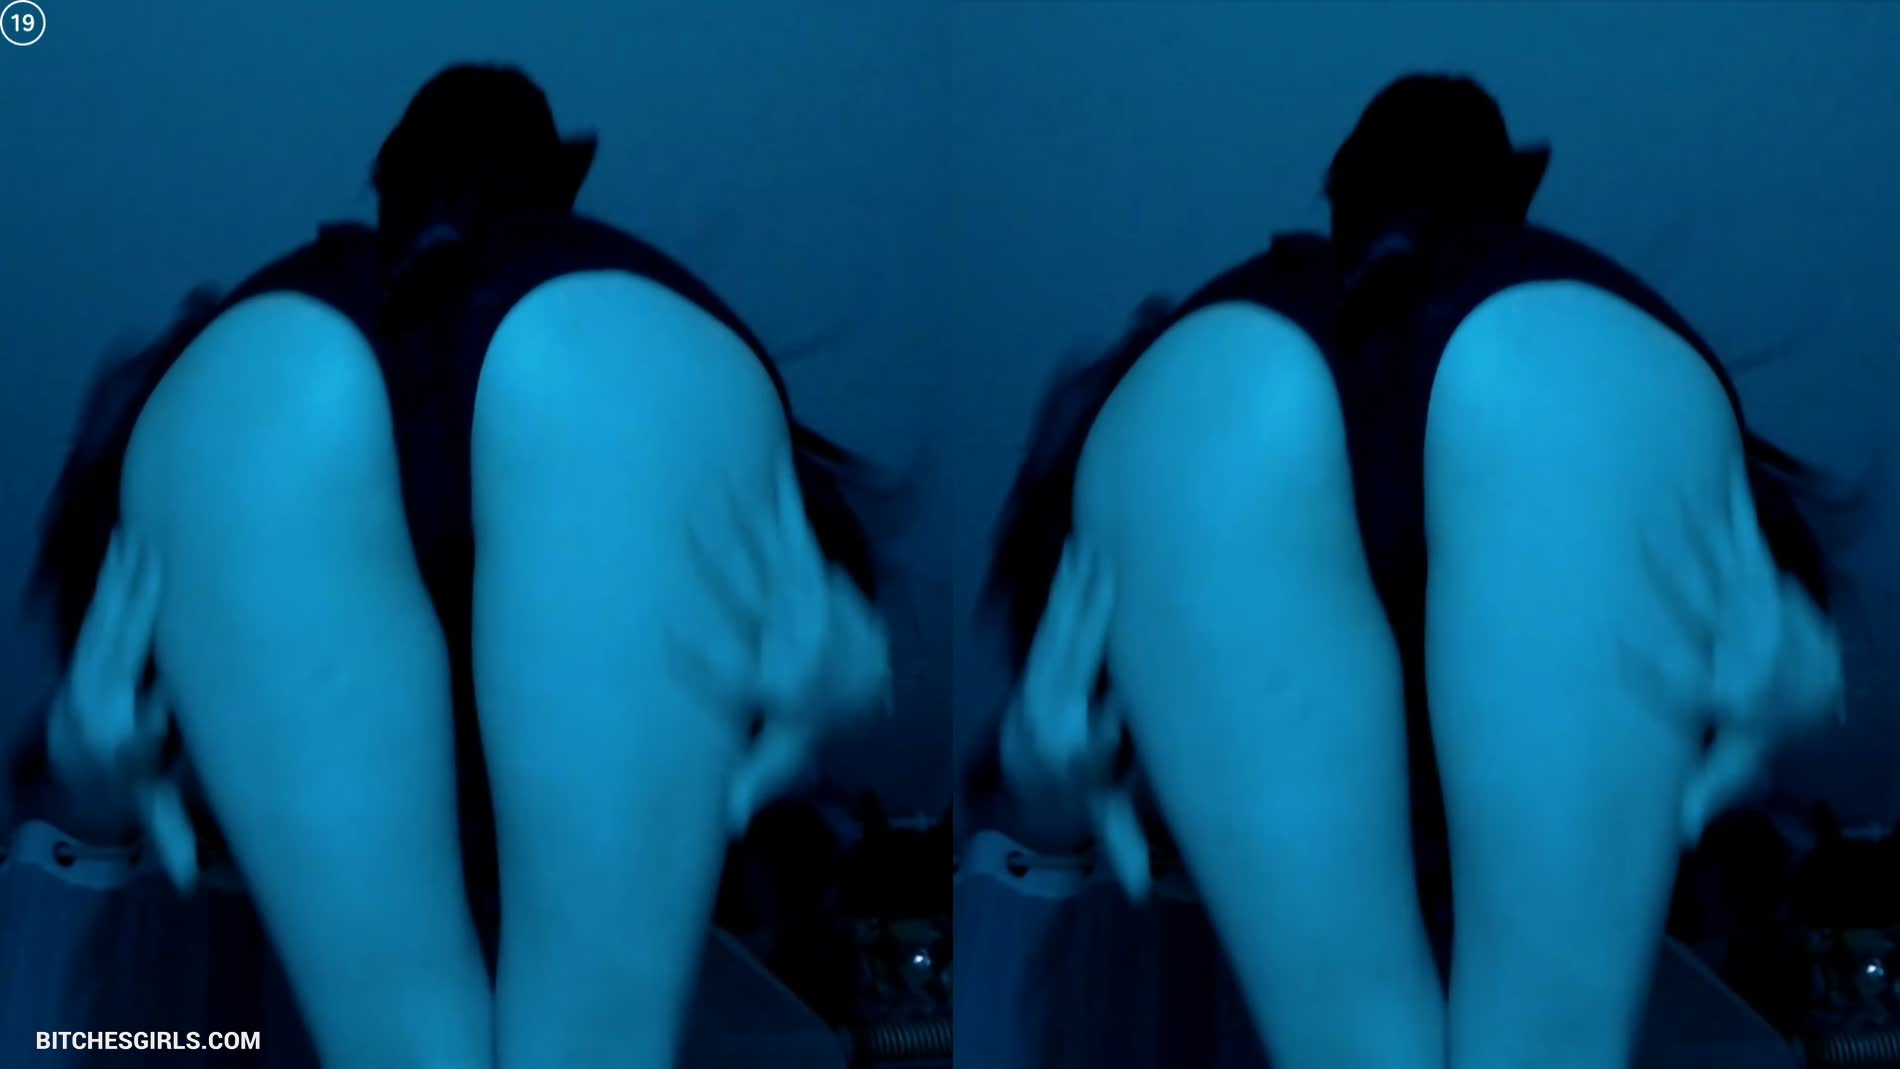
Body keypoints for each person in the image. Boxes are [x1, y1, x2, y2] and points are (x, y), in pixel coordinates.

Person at [18, 63, 894, 1069]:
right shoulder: (606, 311)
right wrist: (853, 672)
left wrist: (83, 800)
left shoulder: (257, 352)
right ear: (559, 184)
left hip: (258, 376)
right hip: (610, 352)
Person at [983, 73, 1848, 1069]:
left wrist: (1037, 789)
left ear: (1340, 192)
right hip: (1566, 360)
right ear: (1509, 192)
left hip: (1216, 377)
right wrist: (1813, 673)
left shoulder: (1206, 353)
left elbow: (1040, 779)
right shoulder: (1564, 316)